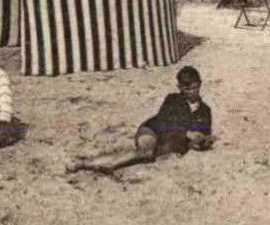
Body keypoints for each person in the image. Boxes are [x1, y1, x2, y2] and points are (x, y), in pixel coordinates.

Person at [68, 67, 214, 175]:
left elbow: (204, 135)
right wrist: (187, 134)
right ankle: (89, 164)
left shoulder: (205, 111)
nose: (192, 92)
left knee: (145, 154)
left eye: (195, 87)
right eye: (187, 89)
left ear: (200, 84)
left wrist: (204, 141)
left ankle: (106, 163)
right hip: (152, 131)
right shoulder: (172, 100)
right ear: (180, 88)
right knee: (145, 152)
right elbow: (164, 123)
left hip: (168, 144)